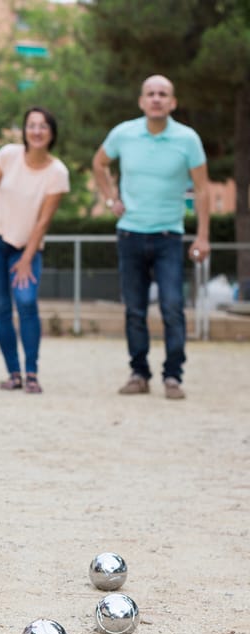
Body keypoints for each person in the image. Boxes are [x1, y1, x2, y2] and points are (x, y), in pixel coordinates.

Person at [92, 74, 210, 400]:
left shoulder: (188, 139)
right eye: (150, 93)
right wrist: (110, 199)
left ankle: (173, 376)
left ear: (172, 102)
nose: (156, 99)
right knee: (135, 309)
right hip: (130, 234)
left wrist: (202, 236)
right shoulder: (123, 134)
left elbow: (202, 189)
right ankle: (138, 373)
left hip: (168, 236)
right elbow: (99, 163)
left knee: (173, 306)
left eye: (163, 94)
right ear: (142, 101)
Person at [0, 107, 69, 394]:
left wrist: (26, 259)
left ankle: (32, 373)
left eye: (43, 126)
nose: (36, 131)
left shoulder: (58, 172)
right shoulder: (7, 156)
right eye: (31, 125)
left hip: (27, 247)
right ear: (25, 130)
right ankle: (13, 373)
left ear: (51, 133)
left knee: (26, 301)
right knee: (0, 307)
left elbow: (42, 222)